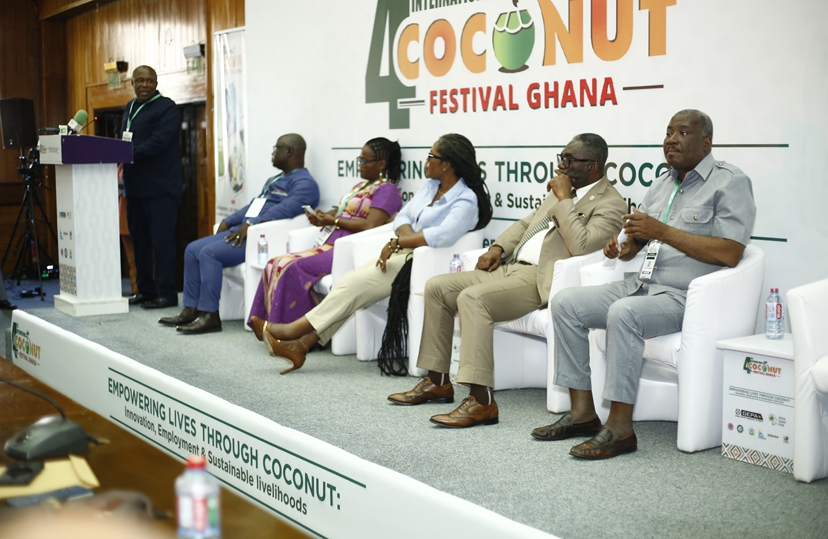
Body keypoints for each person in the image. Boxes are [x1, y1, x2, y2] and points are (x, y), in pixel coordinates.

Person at [534, 110, 756, 459]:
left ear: (707, 143)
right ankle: (582, 413)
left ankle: (620, 428)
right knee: (565, 302)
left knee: (624, 313)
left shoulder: (730, 182)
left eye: (683, 132)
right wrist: (624, 247)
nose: (672, 140)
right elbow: (639, 239)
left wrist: (662, 232)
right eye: (668, 132)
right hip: (641, 284)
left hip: (685, 295)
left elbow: (730, 252)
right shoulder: (663, 183)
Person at [388, 133, 627, 428]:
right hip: (510, 266)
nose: (561, 166)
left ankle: (481, 402)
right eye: (561, 158)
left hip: (540, 278)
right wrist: (498, 248)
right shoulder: (563, 189)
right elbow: (528, 223)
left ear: (592, 166)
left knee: (473, 298)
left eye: (569, 160)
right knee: (437, 287)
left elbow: (582, 245)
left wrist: (565, 199)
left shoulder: (611, 203)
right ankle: (437, 382)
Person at [250, 133, 493, 374]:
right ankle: (301, 346)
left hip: (427, 262)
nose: (426, 161)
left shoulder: (466, 200)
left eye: (432, 156)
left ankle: (291, 331)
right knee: (350, 284)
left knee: (353, 286)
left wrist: (401, 242)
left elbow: (442, 236)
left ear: (446, 164)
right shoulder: (430, 187)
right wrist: (403, 239)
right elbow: (404, 217)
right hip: (405, 251)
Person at [159, 134, 319, 334]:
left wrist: (252, 224)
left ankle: (210, 315)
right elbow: (254, 205)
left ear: (289, 152)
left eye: (276, 148)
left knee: (209, 253)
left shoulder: (305, 184)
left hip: (263, 238)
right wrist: (230, 220)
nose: (272, 153)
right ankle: (191, 309)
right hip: (245, 231)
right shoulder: (275, 179)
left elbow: (284, 210)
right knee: (192, 250)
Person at [246, 137, 403, 329]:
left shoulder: (388, 191)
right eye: (359, 159)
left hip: (346, 249)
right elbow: (342, 211)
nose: (360, 164)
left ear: (381, 164)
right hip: (330, 241)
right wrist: (323, 216)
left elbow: (370, 225)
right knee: (275, 262)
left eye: (365, 161)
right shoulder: (360, 186)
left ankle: (295, 332)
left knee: (292, 267)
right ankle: (268, 324)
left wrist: (333, 221)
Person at [121, 65, 182, 310]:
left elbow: (158, 142)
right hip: (134, 188)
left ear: (156, 83)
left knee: (162, 243)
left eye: (149, 81)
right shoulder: (130, 107)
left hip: (161, 190)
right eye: (140, 81)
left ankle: (166, 293)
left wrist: (127, 153)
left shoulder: (167, 107)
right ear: (132, 83)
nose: (144, 85)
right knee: (140, 243)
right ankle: (145, 290)